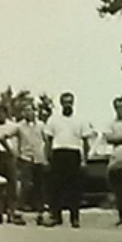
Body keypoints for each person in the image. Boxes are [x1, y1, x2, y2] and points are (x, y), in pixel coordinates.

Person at [42, 92, 95, 228]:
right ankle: (56, 216)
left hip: (74, 153)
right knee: (56, 188)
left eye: (69, 102)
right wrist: (47, 159)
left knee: (74, 188)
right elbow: (48, 140)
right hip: (58, 153)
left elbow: (85, 142)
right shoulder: (54, 120)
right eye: (65, 102)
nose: (67, 105)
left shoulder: (80, 120)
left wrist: (84, 160)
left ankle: (75, 218)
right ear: (61, 104)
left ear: (73, 103)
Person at [0, 103, 26, 226]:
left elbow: (19, 139)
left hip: (9, 156)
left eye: (3, 113)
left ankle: (11, 212)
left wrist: (16, 153)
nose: (0, 115)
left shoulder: (13, 126)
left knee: (12, 185)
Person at [16, 103, 49, 224]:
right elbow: (5, 136)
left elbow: (47, 140)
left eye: (30, 110)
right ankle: (18, 212)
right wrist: (15, 152)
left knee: (39, 186)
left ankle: (40, 213)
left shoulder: (41, 125)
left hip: (39, 158)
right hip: (26, 158)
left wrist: (47, 155)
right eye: (25, 111)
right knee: (26, 185)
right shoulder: (19, 126)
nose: (28, 113)